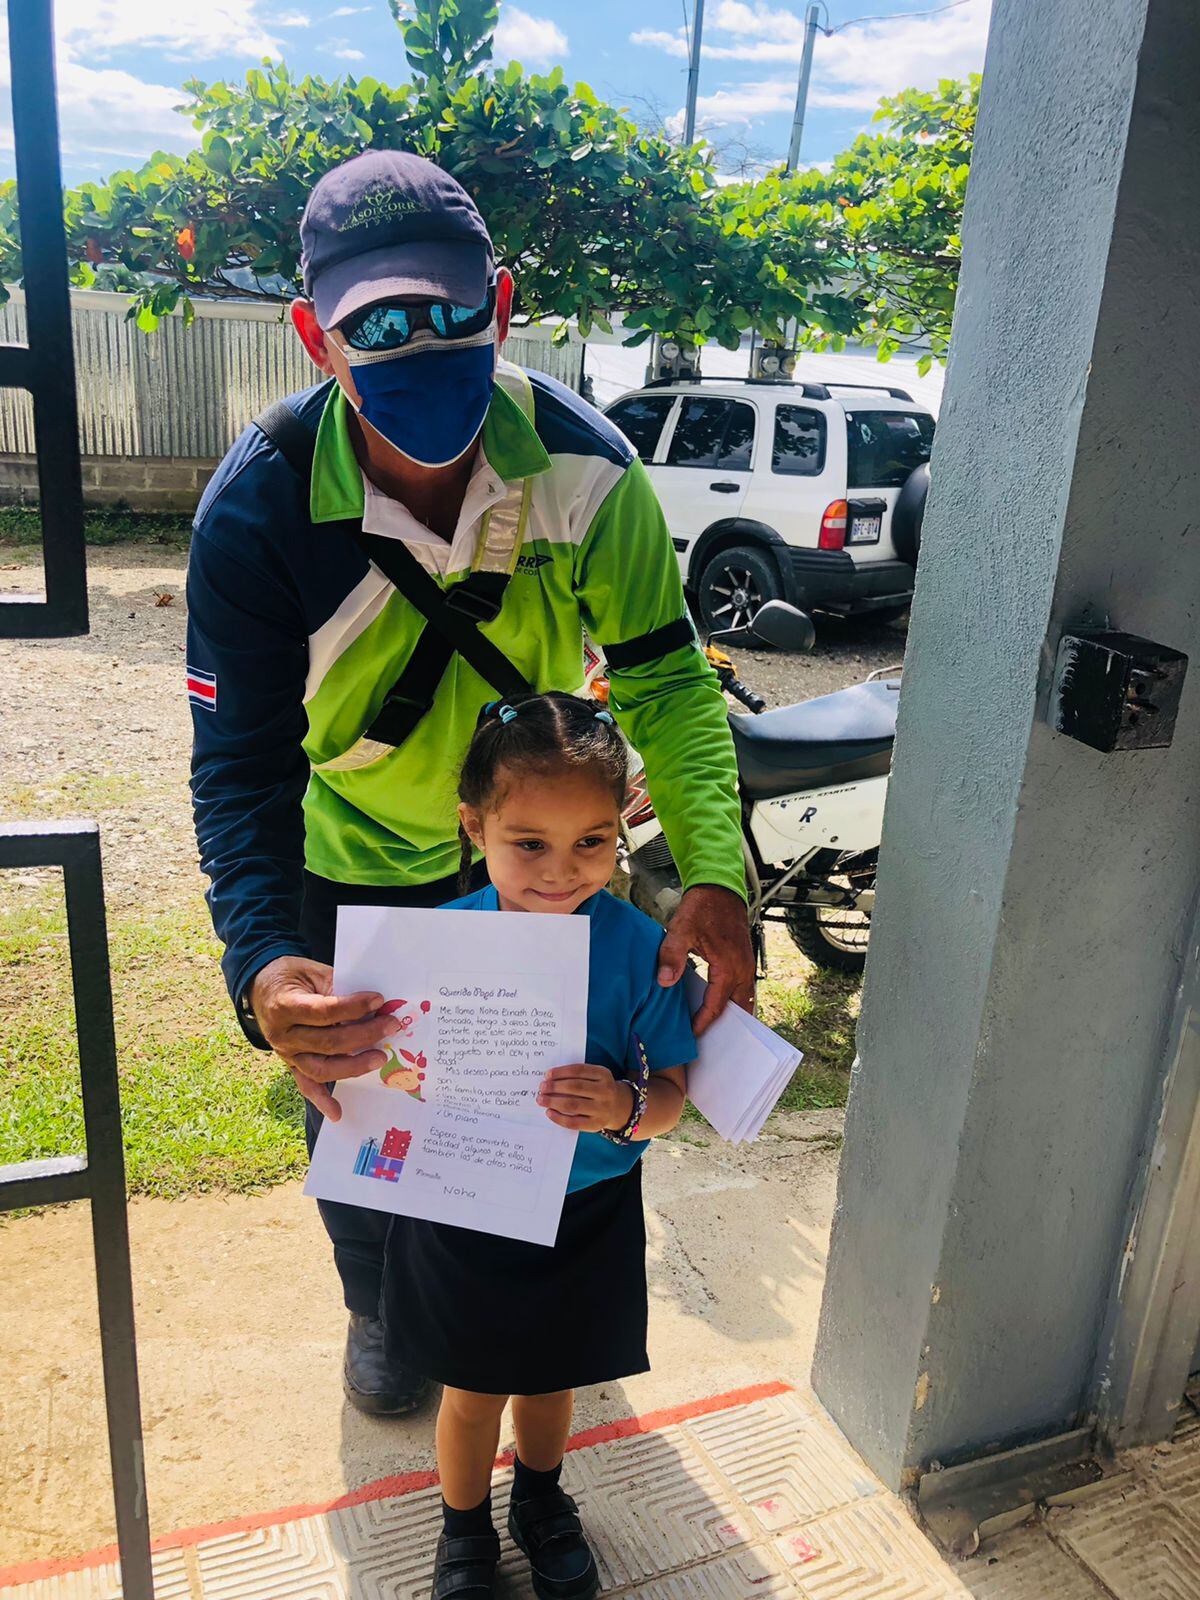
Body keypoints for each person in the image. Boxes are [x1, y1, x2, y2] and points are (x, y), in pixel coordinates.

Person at [187, 148, 753, 1419]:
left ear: (499, 303)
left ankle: (519, 1300)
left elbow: (665, 679)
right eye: (377, 324)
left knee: (528, 1095)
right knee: (361, 1101)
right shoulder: (261, 512)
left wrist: (713, 868)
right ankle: (378, 1305)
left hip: (535, 858)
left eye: (451, 312)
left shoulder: (584, 467)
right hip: (365, 865)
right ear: (313, 338)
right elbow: (239, 768)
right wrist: (267, 961)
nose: (423, 343)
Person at [392, 692, 693, 1600]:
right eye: (530, 843)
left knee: (553, 1381)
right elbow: (388, 1076)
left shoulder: (645, 949)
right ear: (474, 827)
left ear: (619, 832)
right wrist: (400, 1079)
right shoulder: (433, 946)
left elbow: (674, 1098)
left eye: (592, 842)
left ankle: (542, 1500)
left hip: (588, 1207)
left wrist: (620, 1103)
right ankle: (463, 1529)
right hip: (469, 1204)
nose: (563, 872)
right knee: (473, 1387)